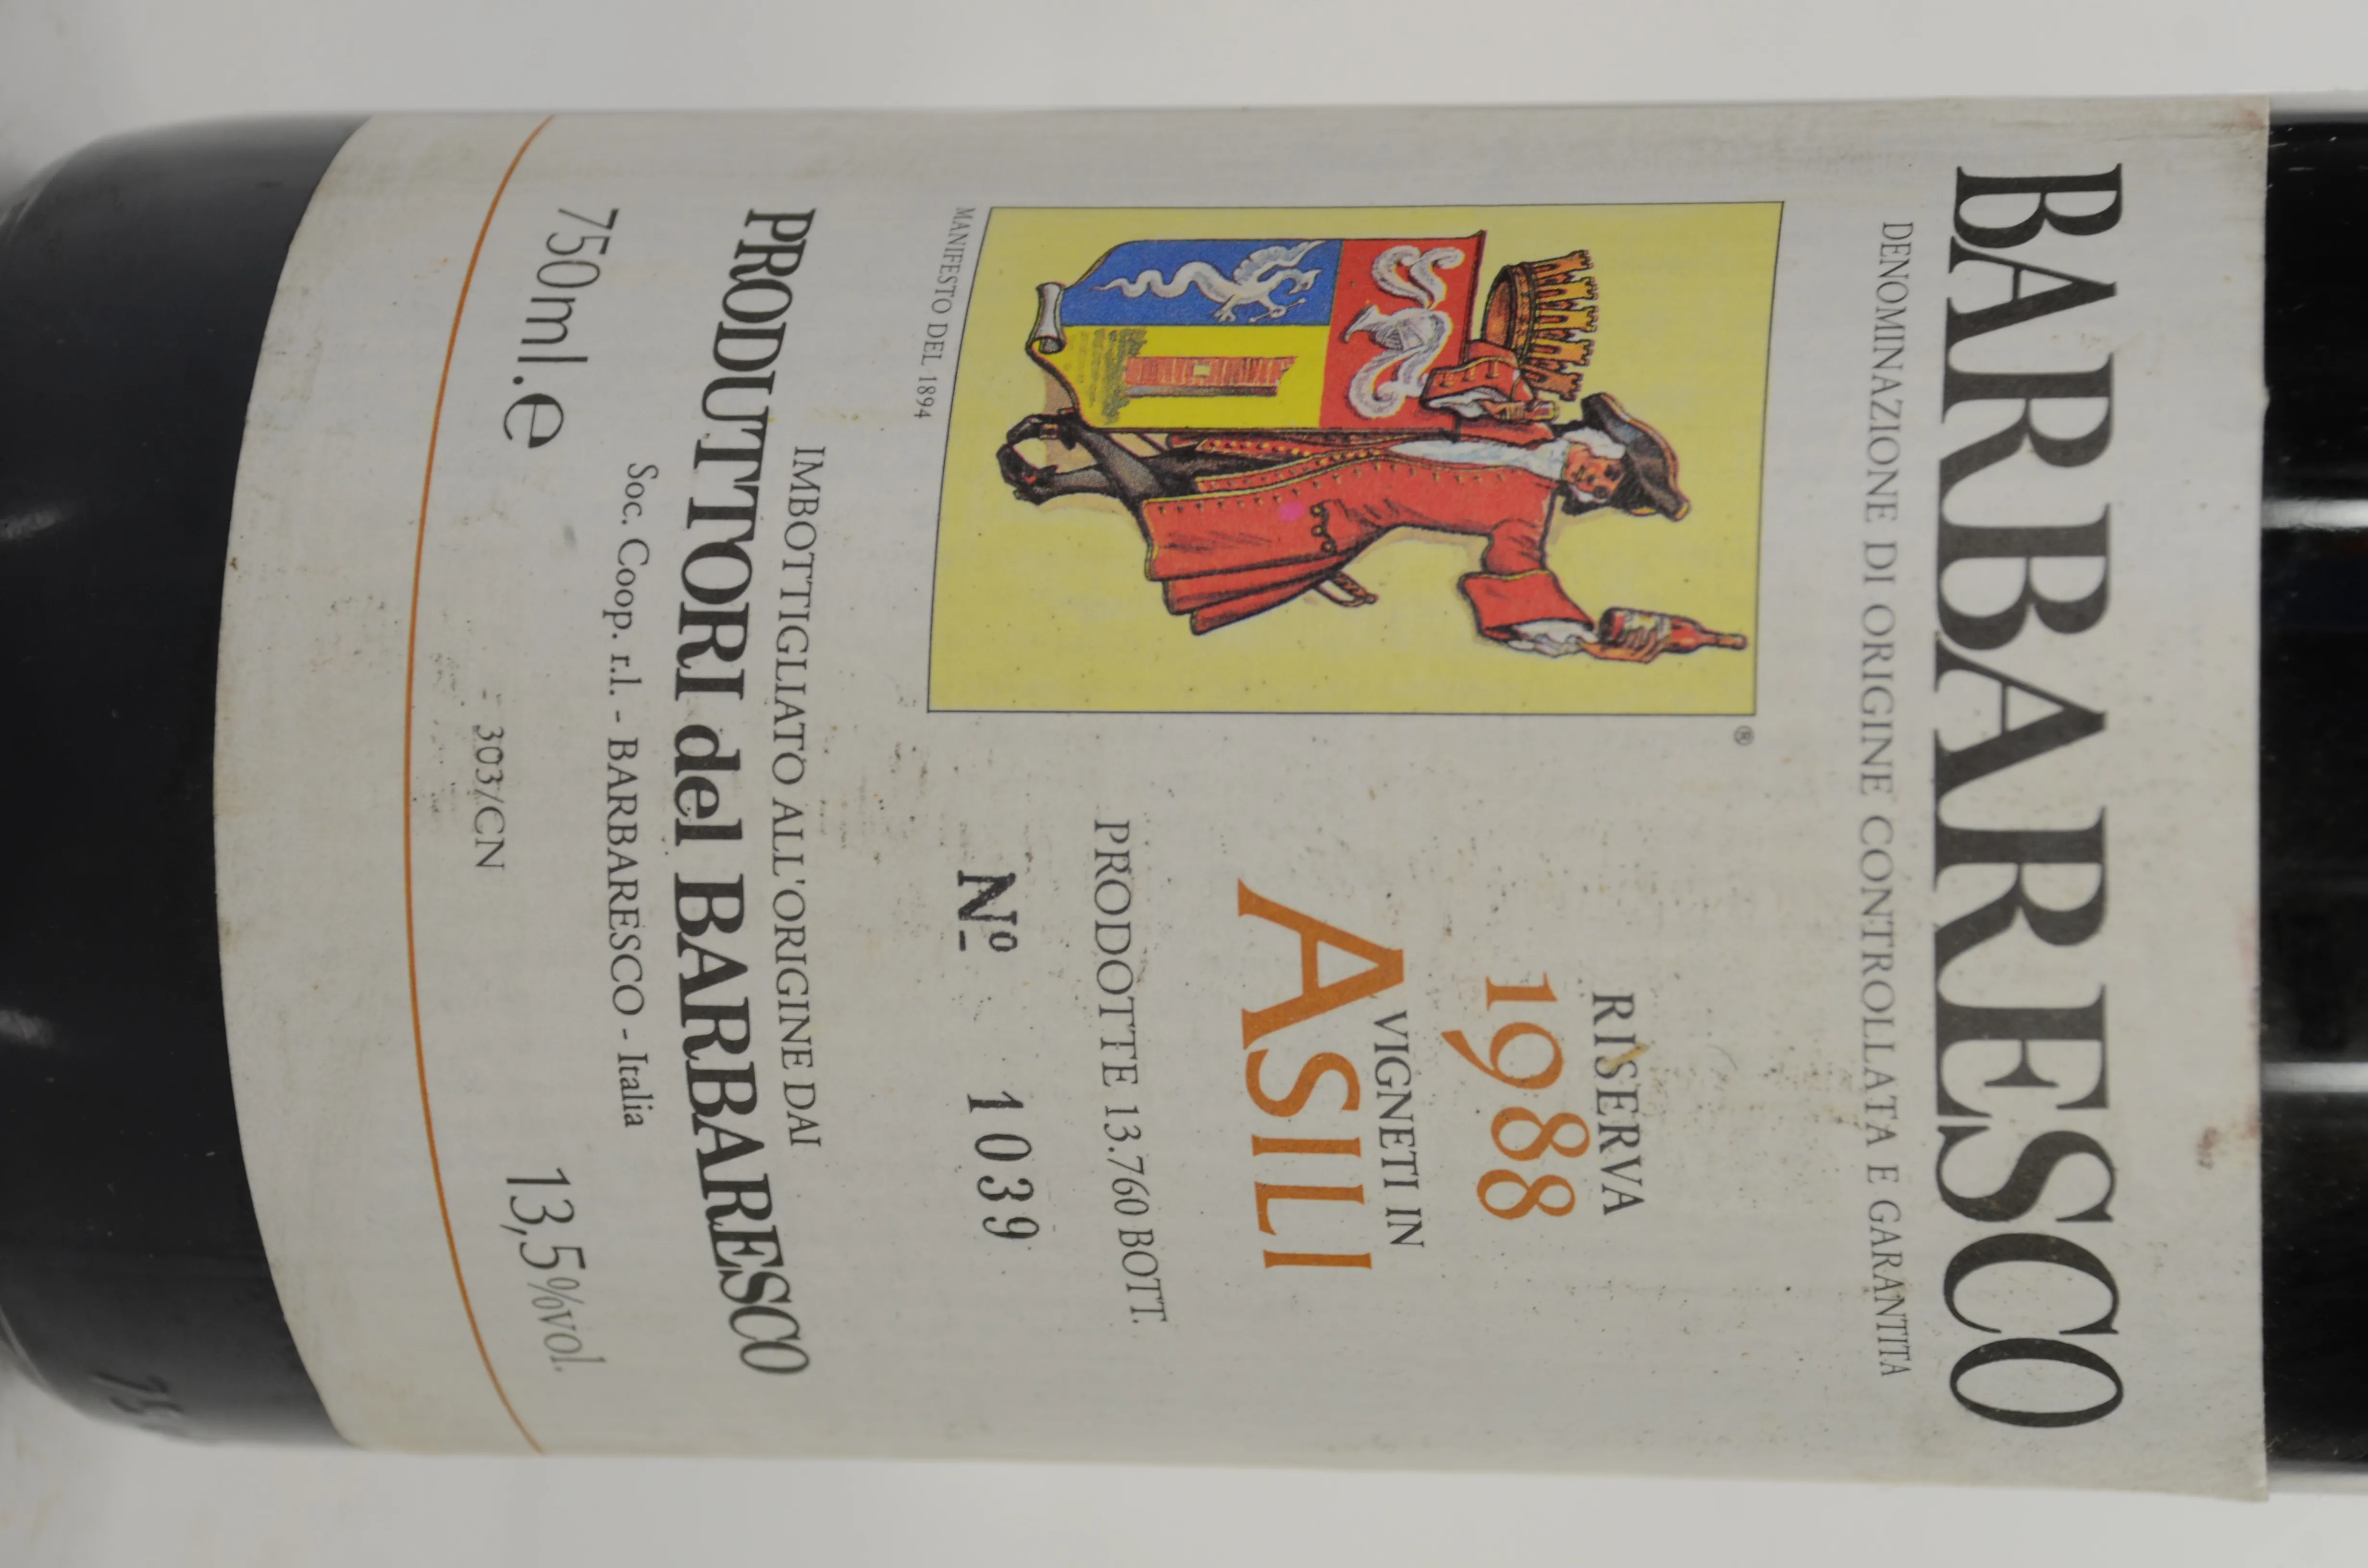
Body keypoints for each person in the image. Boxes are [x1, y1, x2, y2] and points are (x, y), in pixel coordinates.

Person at [997, 342, 1692, 658]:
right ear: (1597, 444)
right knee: (1189, 467)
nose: (1594, 483)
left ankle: (1083, 432)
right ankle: (1051, 484)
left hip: (1325, 515)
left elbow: (1520, 574)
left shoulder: (1527, 514)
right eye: (1607, 473)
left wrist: (1574, 636)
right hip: (1326, 451)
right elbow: (1452, 382)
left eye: (1603, 492)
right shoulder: (1525, 422)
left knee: (1185, 511)